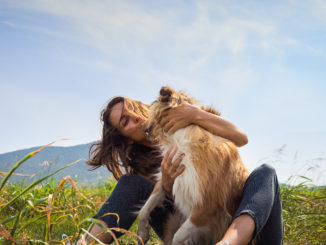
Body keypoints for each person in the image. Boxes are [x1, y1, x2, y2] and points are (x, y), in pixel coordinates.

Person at [76, 96, 283, 245]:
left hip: (251, 232)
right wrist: (166, 185)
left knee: (266, 172)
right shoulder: (143, 169)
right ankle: (86, 243)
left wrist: (195, 114)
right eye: (125, 121)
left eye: (131, 108)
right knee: (130, 183)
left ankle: (230, 242)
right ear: (127, 138)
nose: (134, 116)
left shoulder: (183, 118)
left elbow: (241, 138)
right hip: (196, 232)